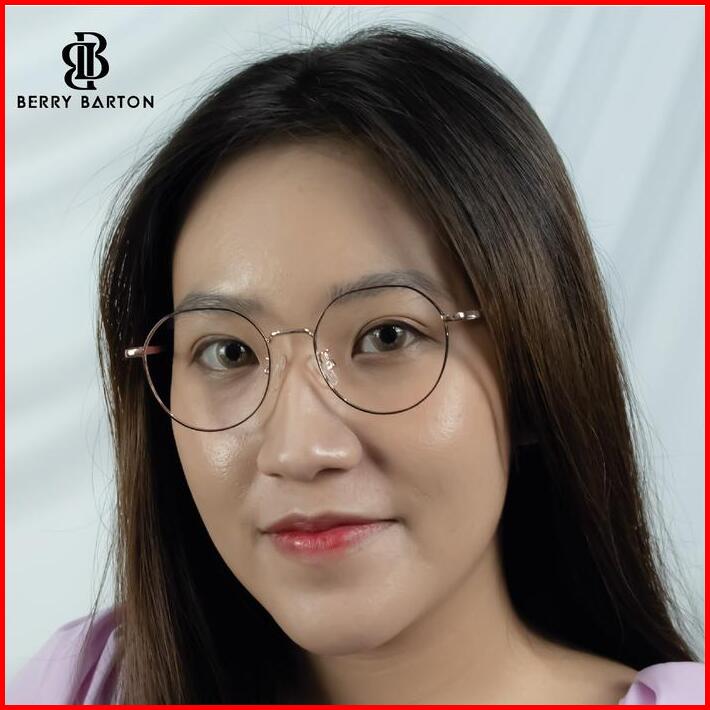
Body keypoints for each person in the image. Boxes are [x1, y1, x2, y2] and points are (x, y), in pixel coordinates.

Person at [7, 23, 704, 704]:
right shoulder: (86, 686)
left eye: (387, 337)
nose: (299, 451)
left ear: (533, 371)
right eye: (229, 352)